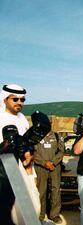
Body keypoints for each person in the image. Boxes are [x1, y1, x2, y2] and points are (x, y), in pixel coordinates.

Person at [0, 84, 40, 225]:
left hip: (26, 167)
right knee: (10, 212)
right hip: (6, 169)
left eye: (22, 100)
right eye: (15, 99)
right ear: (5, 99)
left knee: (31, 209)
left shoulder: (22, 118)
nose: (19, 103)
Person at [34, 129, 64, 223]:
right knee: (41, 190)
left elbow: (61, 151)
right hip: (40, 167)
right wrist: (44, 163)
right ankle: (40, 214)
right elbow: (32, 152)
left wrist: (53, 163)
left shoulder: (56, 136)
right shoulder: (36, 136)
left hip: (54, 167)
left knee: (55, 190)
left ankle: (54, 215)